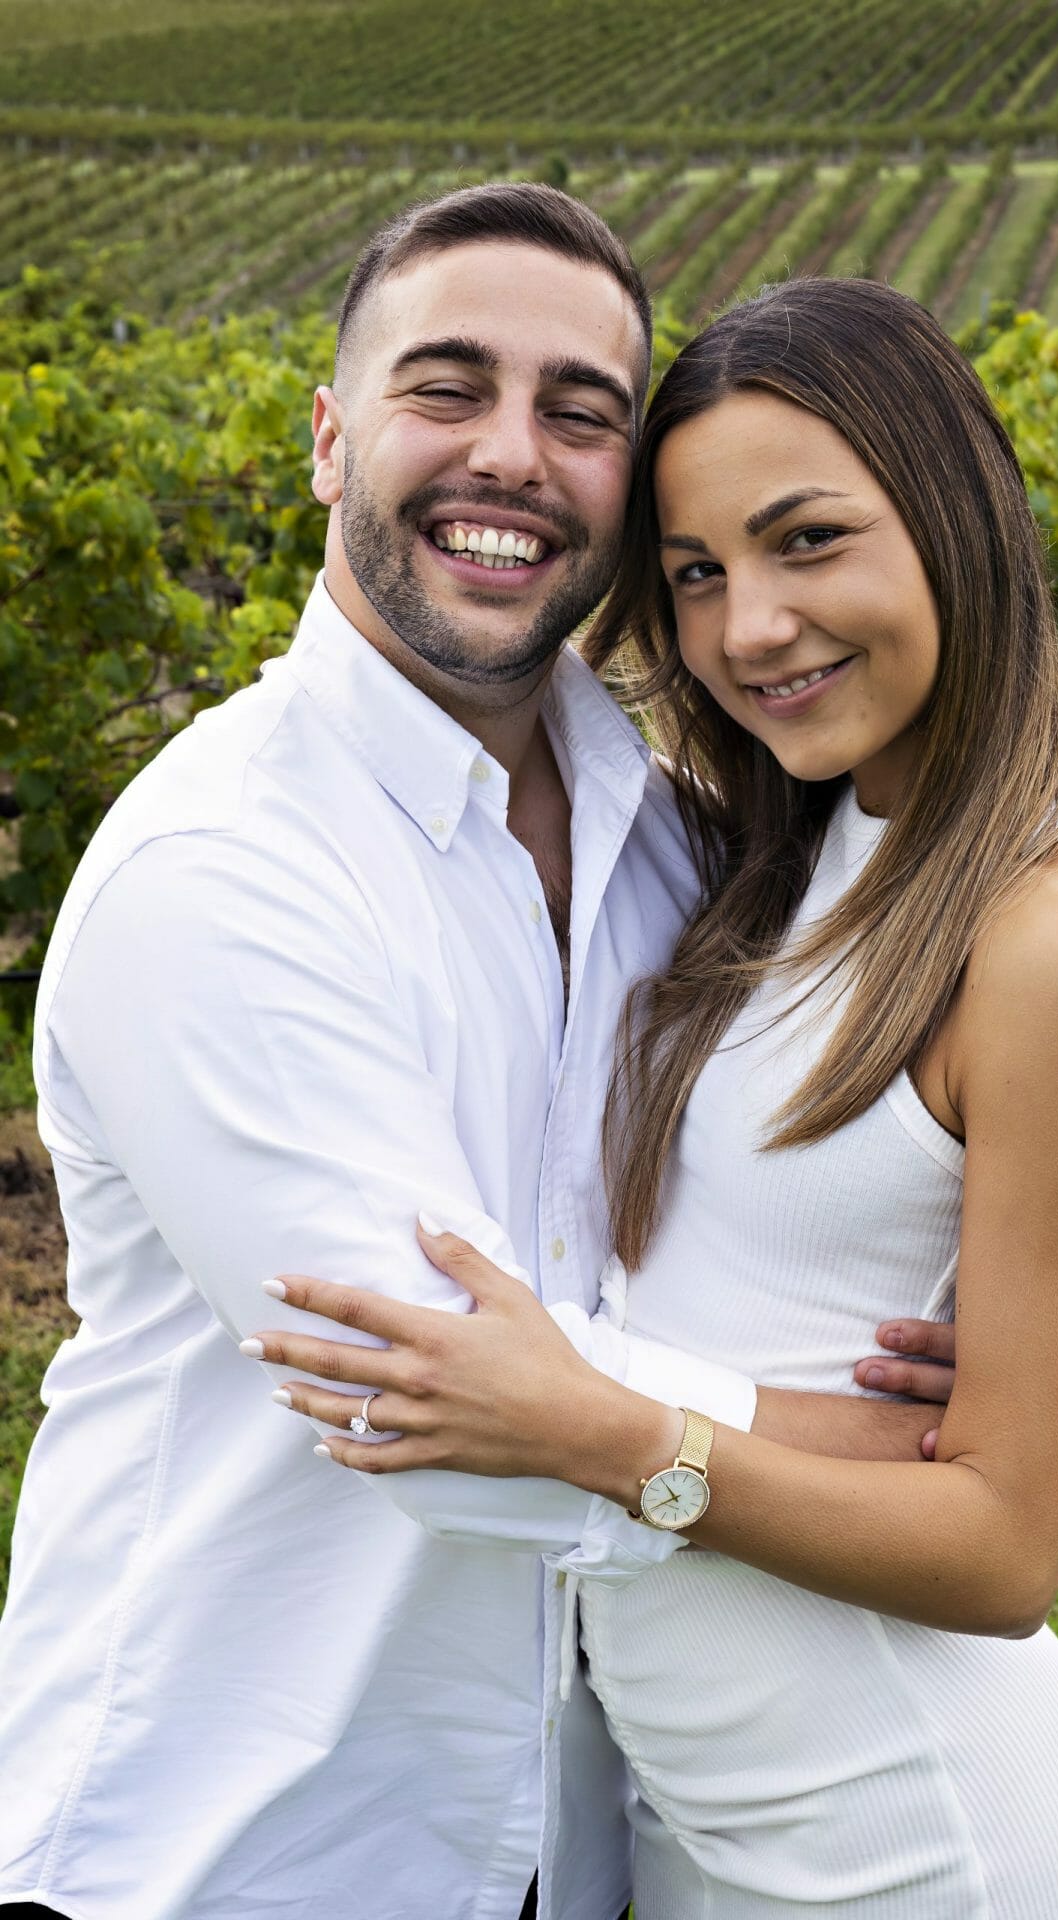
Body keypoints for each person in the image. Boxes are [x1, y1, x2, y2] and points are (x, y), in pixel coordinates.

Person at [0, 192, 953, 1920]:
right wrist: (902, 1447)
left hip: (581, 1842)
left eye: (581, 413)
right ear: (329, 439)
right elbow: (431, 1407)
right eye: (448, 389)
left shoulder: (681, 841)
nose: (513, 454)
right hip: (239, 1850)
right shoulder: (217, 873)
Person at [254, 277, 1058, 1917]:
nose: (750, 629)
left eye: (809, 541)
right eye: (695, 573)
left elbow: (1007, 1550)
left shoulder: (1047, 933)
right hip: (700, 1807)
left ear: (957, 517)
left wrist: (607, 1432)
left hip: (904, 1826)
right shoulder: (796, 837)